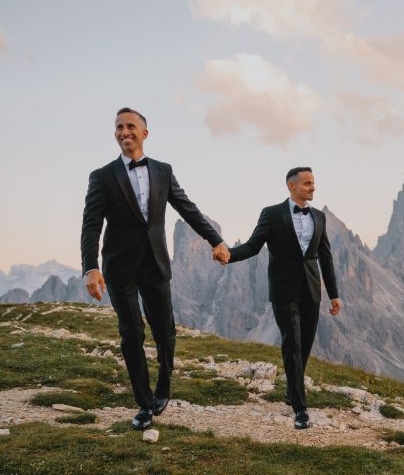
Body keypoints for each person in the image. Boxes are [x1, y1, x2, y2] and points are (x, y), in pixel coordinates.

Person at [81, 107, 230, 430]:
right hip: (119, 268)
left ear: (144, 133)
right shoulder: (102, 176)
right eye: (119, 127)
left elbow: (187, 208)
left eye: (131, 126)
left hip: (156, 264)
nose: (124, 132)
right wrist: (90, 267)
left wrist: (215, 240)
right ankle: (145, 404)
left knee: (165, 331)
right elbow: (91, 224)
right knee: (131, 333)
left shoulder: (163, 170)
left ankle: (164, 384)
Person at [216, 167, 341, 429]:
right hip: (284, 292)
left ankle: (291, 390)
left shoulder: (319, 216)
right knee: (292, 343)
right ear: (291, 186)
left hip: (312, 290)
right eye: (308, 184)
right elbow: (252, 245)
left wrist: (334, 294)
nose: (313, 188)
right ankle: (300, 409)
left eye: (313, 183)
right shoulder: (271, 214)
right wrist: (229, 254)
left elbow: (325, 256)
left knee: (305, 344)